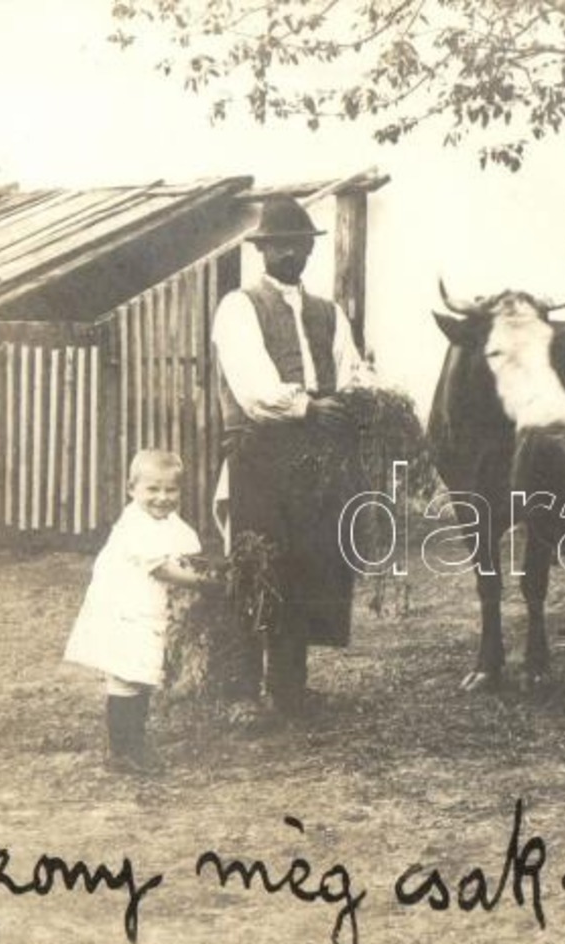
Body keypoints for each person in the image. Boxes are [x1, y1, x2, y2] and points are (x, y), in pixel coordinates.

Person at [211, 195, 379, 719]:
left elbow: (351, 370)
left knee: (309, 565)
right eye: (279, 245)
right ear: (263, 251)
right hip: (260, 453)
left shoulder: (328, 313)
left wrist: (362, 400)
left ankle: (290, 686)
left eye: (299, 244)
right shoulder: (240, 307)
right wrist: (306, 406)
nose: (290, 254)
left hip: (315, 459)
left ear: (309, 249)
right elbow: (254, 387)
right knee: (258, 566)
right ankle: (243, 691)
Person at [65, 449, 217, 772]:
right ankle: (123, 749)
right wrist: (207, 581)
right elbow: (163, 569)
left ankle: (132, 741)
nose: (162, 498)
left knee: (141, 674)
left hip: (144, 610)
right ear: (132, 489)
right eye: (152, 489)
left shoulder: (168, 522)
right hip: (124, 611)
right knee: (127, 674)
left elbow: (187, 551)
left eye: (171, 490)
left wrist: (205, 567)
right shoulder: (135, 524)